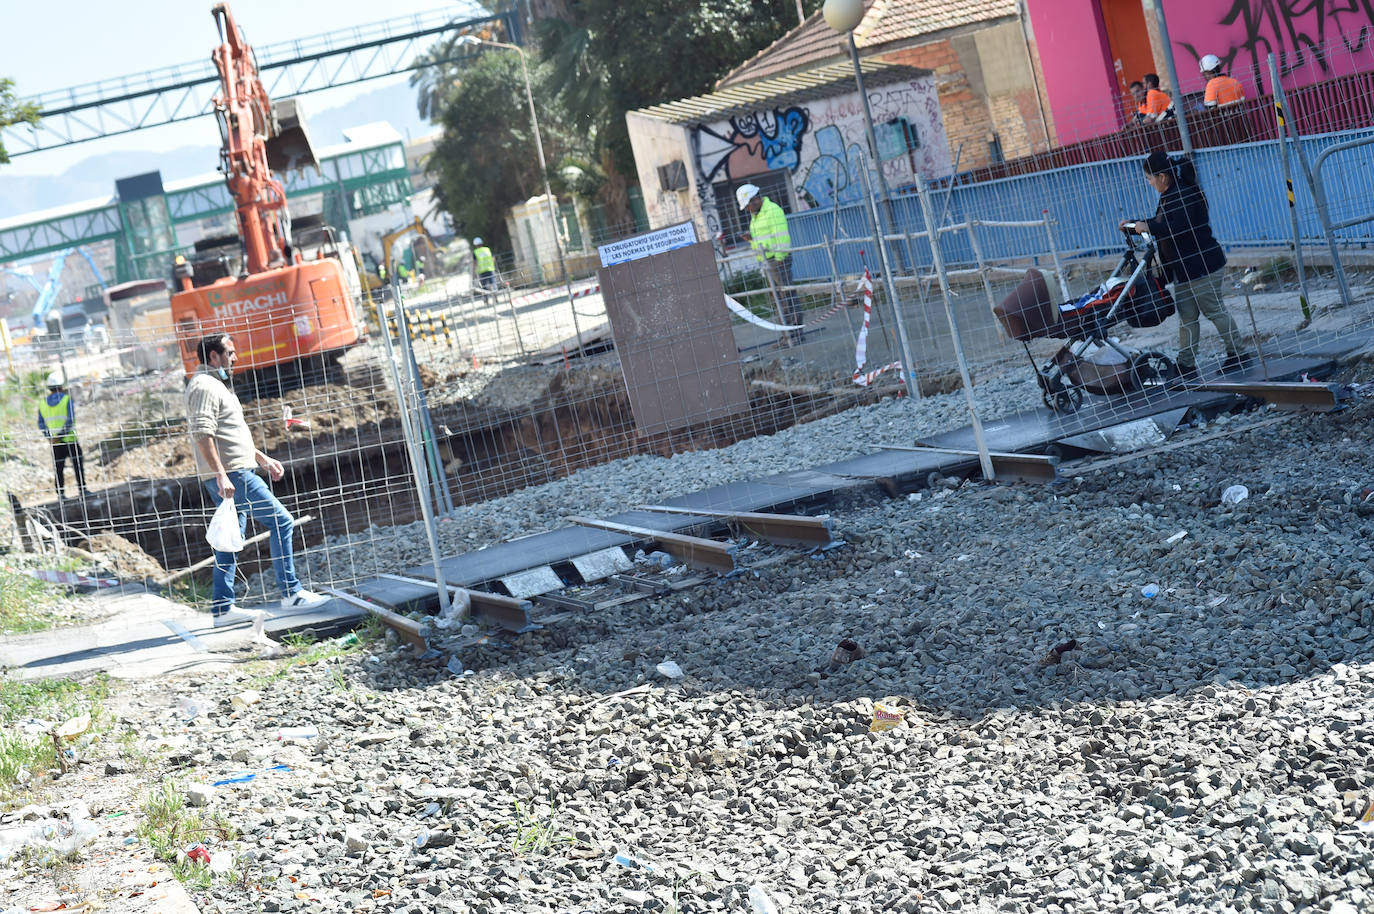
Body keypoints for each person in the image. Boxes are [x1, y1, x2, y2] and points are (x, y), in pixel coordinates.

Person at [186, 333, 328, 626]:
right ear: (214, 356)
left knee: (230, 540)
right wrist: (221, 475)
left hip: (235, 471)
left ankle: (222, 609)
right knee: (282, 521)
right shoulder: (203, 386)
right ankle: (291, 594)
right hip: (233, 475)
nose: (235, 358)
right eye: (230, 352)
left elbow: (229, 435)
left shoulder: (216, 385)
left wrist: (262, 459)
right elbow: (203, 433)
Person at [1120, 151, 1252, 384]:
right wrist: (1134, 225)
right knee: (1187, 317)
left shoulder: (1182, 195)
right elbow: (1160, 224)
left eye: (1149, 178)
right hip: (1185, 271)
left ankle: (1239, 355)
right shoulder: (1169, 195)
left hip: (1202, 267)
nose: (1149, 183)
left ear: (1162, 177)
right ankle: (1186, 365)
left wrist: (1146, 227)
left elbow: (1177, 227)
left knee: (1214, 310)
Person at [737, 183, 804, 347]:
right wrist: (751, 239)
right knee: (779, 300)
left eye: (748, 205)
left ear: (755, 199)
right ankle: (787, 335)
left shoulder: (773, 211)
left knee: (787, 297)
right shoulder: (757, 215)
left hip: (777, 260)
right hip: (768, 261)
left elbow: (781, 237)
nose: (747, 209)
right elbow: (763, 240)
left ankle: (795, 334)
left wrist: (780, 258)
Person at [37, 372, 88, 499]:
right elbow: (70, 420)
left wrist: (50, 437)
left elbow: (41, 423)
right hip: (70, 439)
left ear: (49, 388)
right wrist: (61, 435)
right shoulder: (66, 400)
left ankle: (61, 495)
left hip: (55, 443)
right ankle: (83, 490)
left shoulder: (42, 403)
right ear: (61, 386)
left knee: (58, 468)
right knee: (77, 465)